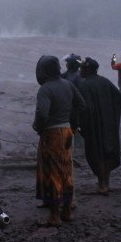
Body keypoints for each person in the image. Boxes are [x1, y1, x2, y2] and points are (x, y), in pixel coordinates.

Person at [33, 55, 86, 227]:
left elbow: (42, 113)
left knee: (52, 172)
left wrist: (38, 127)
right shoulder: (68, 85)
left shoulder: (45, 89)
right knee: (66, 171)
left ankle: (54, 216)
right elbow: (81, 104)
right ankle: (67, 211)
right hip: (67, 131)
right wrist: (69, 119)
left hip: (52, 133)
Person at [77, 57, 121, 194]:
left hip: (93, 125)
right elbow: (119, 97)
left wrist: (81, 124)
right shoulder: (105, 81)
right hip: (108, 124)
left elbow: (84, 107)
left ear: (88, 70)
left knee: (96, 153)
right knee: (107, 152)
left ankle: (102, 184)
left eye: (82, 68)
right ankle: (106, 183)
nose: (80, 70)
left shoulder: (84, 85)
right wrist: (112, 115)